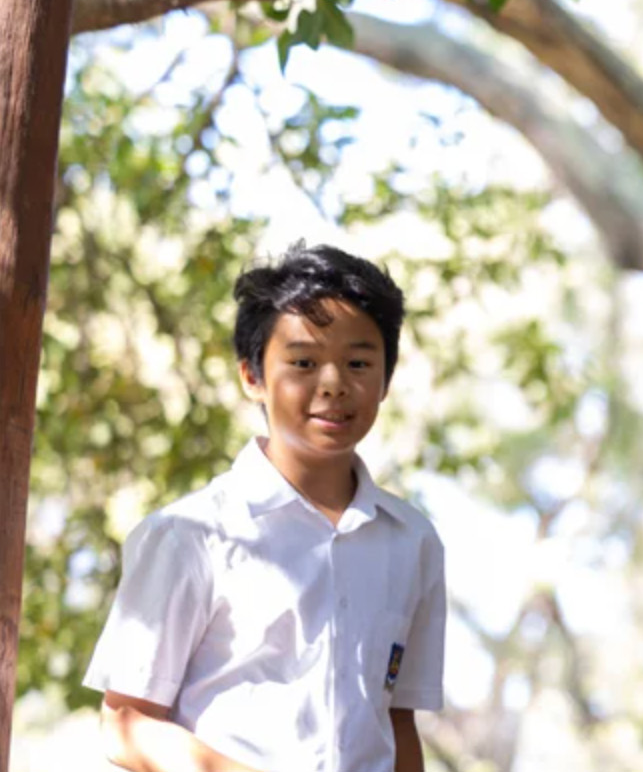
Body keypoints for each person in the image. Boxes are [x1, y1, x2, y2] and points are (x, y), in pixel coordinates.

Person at [84, 243, 446, 772]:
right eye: (303, 362)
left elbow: (396, 722)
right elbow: (125, 723)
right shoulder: (191, 533)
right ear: (252, 377)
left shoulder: (413, 541)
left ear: (386, 378)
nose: (333, 384)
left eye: (359, 363)